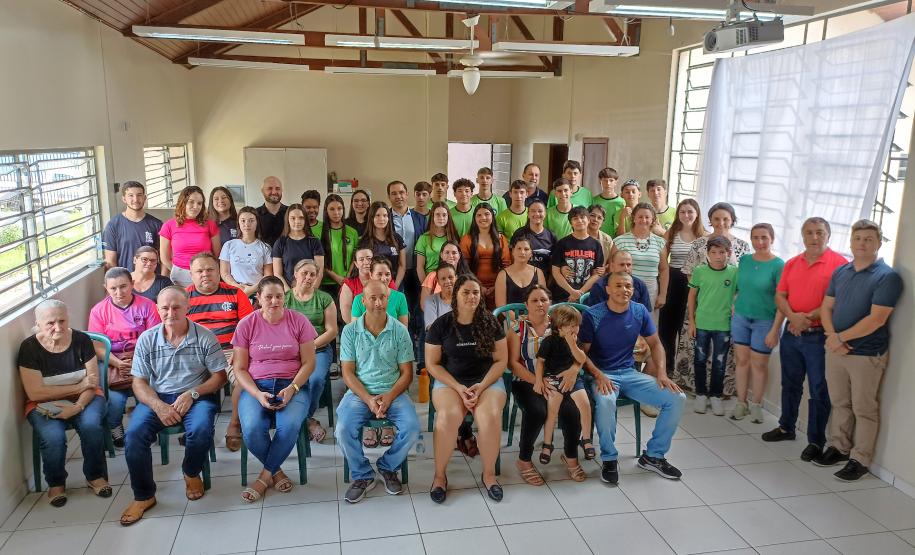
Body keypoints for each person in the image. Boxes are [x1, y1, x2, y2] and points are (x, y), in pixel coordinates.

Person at [119, 286, 228, 526]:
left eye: (176, 307)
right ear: (157, 310)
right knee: (134, 435)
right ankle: (144, 496)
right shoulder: (147, 339)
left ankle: (191, 472)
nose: (170, 313)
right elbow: (139, 382)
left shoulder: (205, 337)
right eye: (165, 308)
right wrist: (158, 405)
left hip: (196, 396)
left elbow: (220, 378)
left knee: (200, 430)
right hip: (158, 397)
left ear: (187, 307)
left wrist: (193, 393)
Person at [580, 272, 687, 484]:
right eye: (618, 285)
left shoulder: (639, 311)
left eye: (628, 286)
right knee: (606, 402)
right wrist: (598, 375)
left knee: (677, 398)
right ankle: (609, 459)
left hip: (629, 373)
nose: (624, 290)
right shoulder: (593, 314)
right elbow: (581, 354)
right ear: (608, 289)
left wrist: (662, 373)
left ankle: (653, 456)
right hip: (601, 375)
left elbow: (655, 343)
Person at [818, 219, 903, 481]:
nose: (862, 243)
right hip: (836, 350)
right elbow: (826, 307)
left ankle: (860, 459)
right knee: (839, 402)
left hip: (866, 354)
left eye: (868, 239)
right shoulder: (841, 272)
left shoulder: (887, 277)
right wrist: (832, 337)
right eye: (858, 238)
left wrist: (840, 338)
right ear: (851, 241)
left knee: (864, 408)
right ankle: (839, 447)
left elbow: (877, 319)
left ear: (879, 243)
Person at [762, 217, 847, 463]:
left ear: (828, 235)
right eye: (809, 232)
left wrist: (807, 318)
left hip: (819, 335)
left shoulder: (840, 265)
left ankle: (815, 441)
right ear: (803, 236)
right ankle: (786, 427)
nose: (814, 237)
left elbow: (837, 301)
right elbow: (780, 296)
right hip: (792, 332)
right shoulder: (792, 263)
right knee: (790, 383)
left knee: (819, 389)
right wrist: (793, 318)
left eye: (819, 232)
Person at [18, 300, 111, 508]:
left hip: (86, 397)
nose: (58, 327)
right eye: (50, 323)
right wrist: (77, 387)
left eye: (62, 321)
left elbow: (92, 383)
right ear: (38, 324)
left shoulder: (81, 340)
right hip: (43, 403)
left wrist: (77, 407)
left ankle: (95, 476)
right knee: (54, 437)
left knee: (90, 425)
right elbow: (35, 392)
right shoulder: (29, 348)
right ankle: (56, 483)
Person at [233, 276, 317, 502]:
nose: (274, 301)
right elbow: (239, 368)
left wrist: (293, 387)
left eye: (279, 296)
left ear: (284, 297)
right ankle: (276, 472)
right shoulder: (247, 324)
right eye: (268, 297)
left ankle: (263, 478)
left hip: (292, 384)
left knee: (288, 427)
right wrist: (256, 393)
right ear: (258, 298)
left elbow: (309, 362)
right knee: (252, 429)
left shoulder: (298, 321)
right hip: (256, 386)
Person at [425, 275, 507, 503]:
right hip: (450, 382)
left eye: (476, 292)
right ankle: (439, 477)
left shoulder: (490, 322)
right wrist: (459, 387)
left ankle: (489, 475)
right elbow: (432, 364)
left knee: (489, 417)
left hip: (486, 381)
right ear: (455, 295)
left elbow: (501, 360)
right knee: (447, 417)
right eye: (466, 292)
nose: (472, 297)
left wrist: (481, 386)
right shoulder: (441, 324)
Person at [336, 280, 419, 503]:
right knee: (343, 429)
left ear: (388, 299)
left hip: (394, 391)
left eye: (382, 297)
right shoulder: (350, 331)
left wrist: (389, 397)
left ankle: (387, 466)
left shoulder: (399, 331)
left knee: (412, 427)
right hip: (359, 393)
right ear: (363, 301)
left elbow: (407, 374)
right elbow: (347, 373)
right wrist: (368, 399)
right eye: (372, 298)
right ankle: (363, 475)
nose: (378, 303)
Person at [507, 286, 584, 486]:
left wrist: (574, 370)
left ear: (551, 303)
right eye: (534, 300)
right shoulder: (517, 328)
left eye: (544, 299)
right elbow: (512, 363)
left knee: (573, 410)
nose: (540, 304)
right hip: (527, 381)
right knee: (537, 411)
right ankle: (524, 460)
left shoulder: (561, 325)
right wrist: (537, 381)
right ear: (526, 305)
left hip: (559, 379)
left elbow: (578, 353)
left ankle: (570, 456)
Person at [675, 202, 751, 394]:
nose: (721, 223)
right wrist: (702, 295)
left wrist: (735, 302)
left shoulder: (742, 246)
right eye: (716, 219)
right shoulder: (699, 244)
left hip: (728, 307)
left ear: (732, 220)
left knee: (722, 351)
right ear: (710, 220)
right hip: (701, 304)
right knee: (698, 348)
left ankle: (720, 390)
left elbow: (744, 280)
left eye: (726, 219)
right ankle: (695, 387)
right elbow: (690, 273)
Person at [186, 253, 254, 452]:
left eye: (210, 270)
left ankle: (234, 424)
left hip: (231, 351)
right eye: (199, 271)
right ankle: (195, 426)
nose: (205, 274)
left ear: (219, 272)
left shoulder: (235, 293)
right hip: (197, 354)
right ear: (191, 274)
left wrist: (240, 351)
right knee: (184, 382)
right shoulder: (184, 297)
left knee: (244, 381)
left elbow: (249, 328)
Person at [88, 267, 161, 448]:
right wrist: (118, 363)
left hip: (143, 358)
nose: (119, 292)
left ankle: (145, 428)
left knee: (146, 393)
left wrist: (136, 362)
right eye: (113, 288)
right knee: (115, 400)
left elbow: (156, 338)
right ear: (105, 288)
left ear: (132, 284)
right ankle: (115, 428)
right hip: (112, 361)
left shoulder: (147, 306)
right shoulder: (98, 311)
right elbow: (97, 346)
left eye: (123, 286)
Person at [731, 223, 784, 422]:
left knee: (759, 365)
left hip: (765, 321)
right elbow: (739, 288)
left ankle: (756, 405)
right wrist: (734, 304)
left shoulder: (778, 265)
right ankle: (741, 403)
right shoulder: (744, 260)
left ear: (772, 239)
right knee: (741, 361)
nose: (760, 242)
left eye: (764, 238)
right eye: (755, 238)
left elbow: (782, 300)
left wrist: (775, 329)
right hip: (741, 318)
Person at [534, 304, 594, 469]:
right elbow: (540, 362)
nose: (575, 329)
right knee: (552, 410)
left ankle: (586, 439)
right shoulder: (549, 341)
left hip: (573, 379)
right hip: (553, 379)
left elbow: (581, 359)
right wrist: (538, 380)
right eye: (571, 326)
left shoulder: (576, 341)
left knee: (585, 404)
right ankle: (547, 444)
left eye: (577, 325)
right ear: (559, 327)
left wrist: (572, 344)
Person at [285, 259, 339, 442]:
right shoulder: (285, 298)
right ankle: (307, 422)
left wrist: (310, 346)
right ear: (295, 274)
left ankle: (304, 418)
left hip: (319, 349)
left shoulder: (324, 298)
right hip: (290, 352)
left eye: (312, 275)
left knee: (315, 379)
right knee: (285, 378)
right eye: (304, 273)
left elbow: (332, 330)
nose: (308, 278)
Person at [658, 199, 707, 390]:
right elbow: (663, 260)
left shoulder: (704, 236)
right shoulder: (672, 233)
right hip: (672, 281)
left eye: (690, 212)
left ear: (697, 214)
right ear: (678, 214)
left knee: (685, 327)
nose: (686, 215)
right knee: (667, 328)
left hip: (693, 284)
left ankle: (683, 371)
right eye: (682, 212)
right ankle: (667, 368)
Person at [687, 236, 738, 416]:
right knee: (699, 360)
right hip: (702, 323)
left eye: (722, 252)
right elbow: (692, 296)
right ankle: (701, 394)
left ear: (728, 253)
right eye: (714, 252)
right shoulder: (699, 271)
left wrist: (735, 304)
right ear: (707, 253)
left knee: (719, 362)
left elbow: (740, 293)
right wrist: (692, 321)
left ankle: (716, 396)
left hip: (723, 325)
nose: (718, 256)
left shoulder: (734, 273)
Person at [159, 186, 220, 287]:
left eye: (199, 203)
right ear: (183, 202)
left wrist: (208, 271)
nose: (196, 206)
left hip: (205, 276)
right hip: (179, 276)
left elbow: (217, 255)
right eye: (191, 202)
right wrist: (177, 270)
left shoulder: (210, 225)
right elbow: (164, 258)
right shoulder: (169, 225)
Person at [388, 180, 427, 341]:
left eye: (401, 192)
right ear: (389, 197)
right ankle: (405, 342)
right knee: (400, 309)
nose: (398, 196)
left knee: (418, 308)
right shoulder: (385, 217)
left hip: (416, 269)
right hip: (396, 272)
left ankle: (418, 344)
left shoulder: (419, 218)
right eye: (394, 193)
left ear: (407, 194)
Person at [611, 202, 669, 310]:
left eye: (647, 217)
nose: (643, 220)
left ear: (652, 220)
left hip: (651, 290)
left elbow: (664, 269)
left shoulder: (660, 242)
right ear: (634, 218)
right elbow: (612, 268)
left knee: (648, 319)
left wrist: (662, 295)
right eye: (640, 217)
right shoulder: (620, 241)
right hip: (625, 289)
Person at [460, 203, 510, 309]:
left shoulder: (501, 239)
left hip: (498, 287)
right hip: (473, 288)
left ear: (492, 216)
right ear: (474, 218)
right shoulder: (466, 239)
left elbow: (506, 265)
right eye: (479, 215)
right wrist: (477, 285)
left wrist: (496, 286)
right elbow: (464, 267)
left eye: (487, 214)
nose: (483, 218)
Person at [102, 180, 162, 270]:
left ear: (145, 198)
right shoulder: (113, 225)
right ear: (124, 199)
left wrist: (163, 277)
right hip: (126, 277)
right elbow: (110, 262)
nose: (136, 199)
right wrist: (119, 278)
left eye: (139, 195)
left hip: (152, 277)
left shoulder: (157, 224)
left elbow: (163, 257)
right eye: (131, 195)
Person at [551, 206, 604, 303]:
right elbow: (555, 272)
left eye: (582, 217)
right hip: (563, 295)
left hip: (586, 296)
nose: (579, 220)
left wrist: (580, 292)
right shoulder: (562, 243)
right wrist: (571, 291)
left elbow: (597, 274)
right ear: (571, 223)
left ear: (588, 220)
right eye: (575, 218)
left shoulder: (596, 245)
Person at [219, 206, 273, 299]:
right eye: (243, 221)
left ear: (257, 223)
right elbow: (224, 273)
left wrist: (251, 289)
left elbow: (268, 275)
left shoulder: (265, 247)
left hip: (258, 292)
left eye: (251, 220)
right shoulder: (229, 245)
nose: (247, 224)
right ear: (238, 223)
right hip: (234, 291)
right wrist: (237, 286)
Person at [272, 203, 325, 290]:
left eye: (301, 218)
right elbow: (277, 274)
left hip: (311, 291)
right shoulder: (280, 243)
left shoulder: (315, 242)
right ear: (287, 220)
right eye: (293, 218)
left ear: (305, 220)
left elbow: (319, 273)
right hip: (288, 291)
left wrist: (310, 293)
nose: (297, 221)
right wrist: (289, 293)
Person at [318, 193, 360, 299]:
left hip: (349, 281)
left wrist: (348, 276)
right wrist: (335, 277)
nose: (336, 213)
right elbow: (318, 260)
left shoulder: (352, 232)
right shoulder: (320, 232)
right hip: (326, 284)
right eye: (332, 209)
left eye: (339, 208)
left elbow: (355, 257)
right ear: (326, 211)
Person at [350, 258, 409, 327]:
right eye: (379, 274)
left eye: (387, 274)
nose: (384, 278)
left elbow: (403, 330)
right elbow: (355, 329)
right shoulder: (358, 299)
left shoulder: (400, 297)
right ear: (371, 275)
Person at [586, 250, 651, 312]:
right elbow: (595, 314)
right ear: (612, 266)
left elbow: (646, 312)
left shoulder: (640, 285)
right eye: (622, 265)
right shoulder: (599, 286)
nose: (626, 268)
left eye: (628, 265)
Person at [359, 201, 406, 288]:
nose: (382, 219)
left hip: (395, 284)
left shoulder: (397, 238)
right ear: (372, 218)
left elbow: (402, 265)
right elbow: (363, 267)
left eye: (385, 215)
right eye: (377, 215)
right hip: (373, 286)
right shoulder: (365, 241)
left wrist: (395, 286)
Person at [415, 201, 460, 284]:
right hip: (429, 280)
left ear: (448, 217)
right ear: (432, 216)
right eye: (437, 214)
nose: (441, 218)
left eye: (444, 215)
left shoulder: (453, 237)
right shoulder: (423, 238)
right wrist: (426, 286)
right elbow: (419, 267)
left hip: (449, 281)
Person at [419, 240, 472, 309]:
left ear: (459, 255)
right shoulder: (432, 276)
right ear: (441, 255)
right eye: (447, 252)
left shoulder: (467, 278)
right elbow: (424, 305)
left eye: (454, 253)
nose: (450, 256)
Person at [495, 235, 545, 307]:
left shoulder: (538, 272)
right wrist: (514, 314)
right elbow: (501, 305)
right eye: (519, 248)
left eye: (526, 249)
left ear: (531, 253)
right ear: (513, 251)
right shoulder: (503, 274)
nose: (522, 252)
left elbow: (543, 300)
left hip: (534, 313)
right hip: (509, 314)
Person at [511, 199, 556, 277]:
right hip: (521, 278)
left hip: (544, 280)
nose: (537, 214)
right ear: (528, 214)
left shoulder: (551, 236)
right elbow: (512, 257)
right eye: (533, 211)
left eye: (540, 211)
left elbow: (554, 263)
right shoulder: (519, 233)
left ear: (545, 214)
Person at [340, 247, 376, 321]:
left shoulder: (384, 279)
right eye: (361, 259)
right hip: (356, 326)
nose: (366, 262)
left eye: (369, 258)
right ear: (356, 264)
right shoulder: (349, 284)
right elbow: (346, 315)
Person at [591, 168, 624, 237]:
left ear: (616, 182)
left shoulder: (622, 202)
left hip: (615, 239)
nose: (608, 183)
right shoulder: (593, 201)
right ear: (600, 181)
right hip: (596, 239)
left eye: (611, 180)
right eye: (605, 180)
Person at [256, 176, 287, 247]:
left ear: (282, 190)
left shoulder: (291, 213)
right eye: (269, 188)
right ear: (262, 191)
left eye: (277, 188)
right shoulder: (254, 214)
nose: (274, 192)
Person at [423, 263, 457, 327]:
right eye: (443, 279)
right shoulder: (431, 301)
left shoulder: (464, 299)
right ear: (438, 281)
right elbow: (432, 328)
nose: (447, 281)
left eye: (450, 277)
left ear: (456, 278)